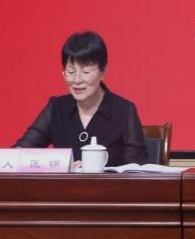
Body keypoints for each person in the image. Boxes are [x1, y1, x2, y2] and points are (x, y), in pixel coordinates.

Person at [17, 31, 149, 167]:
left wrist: (97, 171)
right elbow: (20, 153)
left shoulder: (123, 111)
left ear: (103, 71)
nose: (77, 80)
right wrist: (60, 165)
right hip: (65, 182)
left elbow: (137, 170)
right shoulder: (56, 108)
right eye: (71, 72)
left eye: (85, 72)